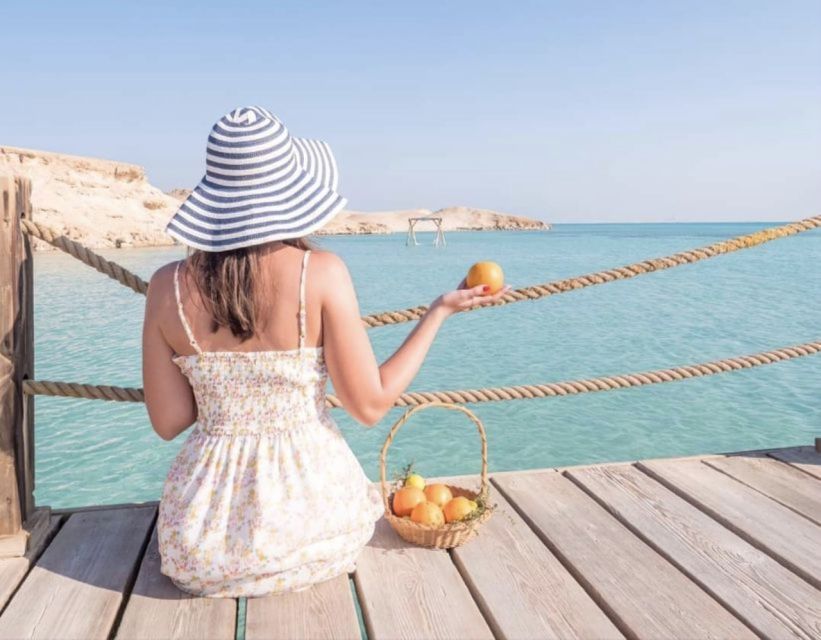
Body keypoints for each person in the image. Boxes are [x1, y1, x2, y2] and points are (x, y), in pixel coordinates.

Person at [141, 106, 510, 598]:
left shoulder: (165, 287)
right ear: (291, 193)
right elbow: (369, 406)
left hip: (203, 546)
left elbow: (169, 421)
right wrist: (437, 313)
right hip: (312, 530)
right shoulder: (320, 272)